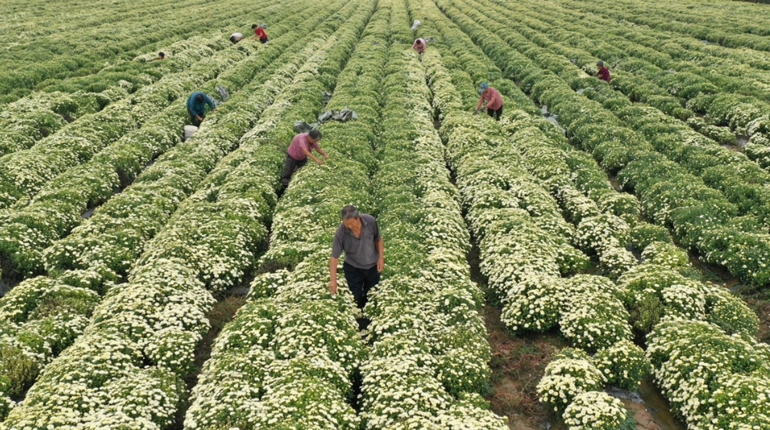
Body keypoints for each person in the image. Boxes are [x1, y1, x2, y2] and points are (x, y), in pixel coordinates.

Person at [329, 205, 384, 323]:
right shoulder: (341, 231)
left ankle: (372, 321)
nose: (349, 226)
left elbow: (378, 239)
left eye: (351, 224)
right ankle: (359, 323)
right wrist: (333, 280)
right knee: (356, 295)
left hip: (372, 266)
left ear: (358, 217)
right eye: (346, 224)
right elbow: (334, 257)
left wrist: (380, 258)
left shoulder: (370, 222)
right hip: (353, 267)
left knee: (372, 293)